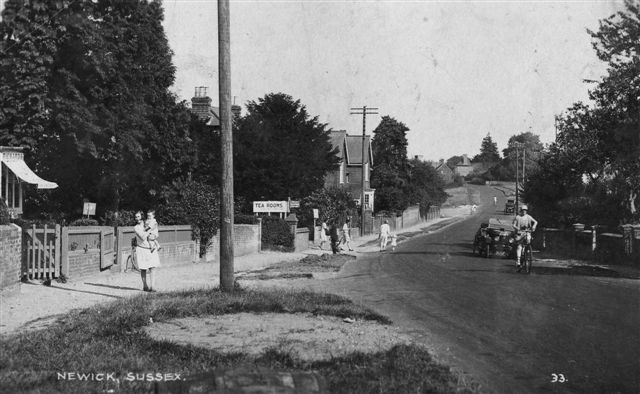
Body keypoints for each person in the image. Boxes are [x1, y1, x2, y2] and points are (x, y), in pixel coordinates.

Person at [134, 211, 161, 292]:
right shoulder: (136, 227)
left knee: (153, 268)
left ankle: (153, 287)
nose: (137, 218)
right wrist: (149, 230)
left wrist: (154, 235)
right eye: (136, 217)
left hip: (151, 249)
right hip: (142, 249)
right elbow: (143, 236)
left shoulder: (148, 223)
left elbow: (156, 234)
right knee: (143, 269)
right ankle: (145, 285)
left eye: (138, 216)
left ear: (142, 216)